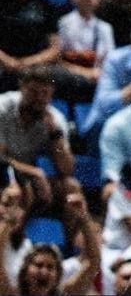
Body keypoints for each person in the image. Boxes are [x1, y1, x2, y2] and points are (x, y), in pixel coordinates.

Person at [0, 67, 74, 205]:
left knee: (71, 187)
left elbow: (66, 170)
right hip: (3, 172)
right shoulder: (3, 107)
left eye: (45, 93)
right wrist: (33, 172)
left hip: (28, 176)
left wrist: (55, 134)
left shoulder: (56, 119)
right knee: (18, 191)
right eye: (33, 92)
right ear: (22, 88)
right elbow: (1, 158)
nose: (39, 98)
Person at [56, 0, 115, 100]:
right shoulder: (63, 23)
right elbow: (57, 59)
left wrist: (97, 73)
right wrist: (83, 72)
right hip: (69, 76)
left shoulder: (105, 28)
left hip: (96, 77)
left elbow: (109, 61)